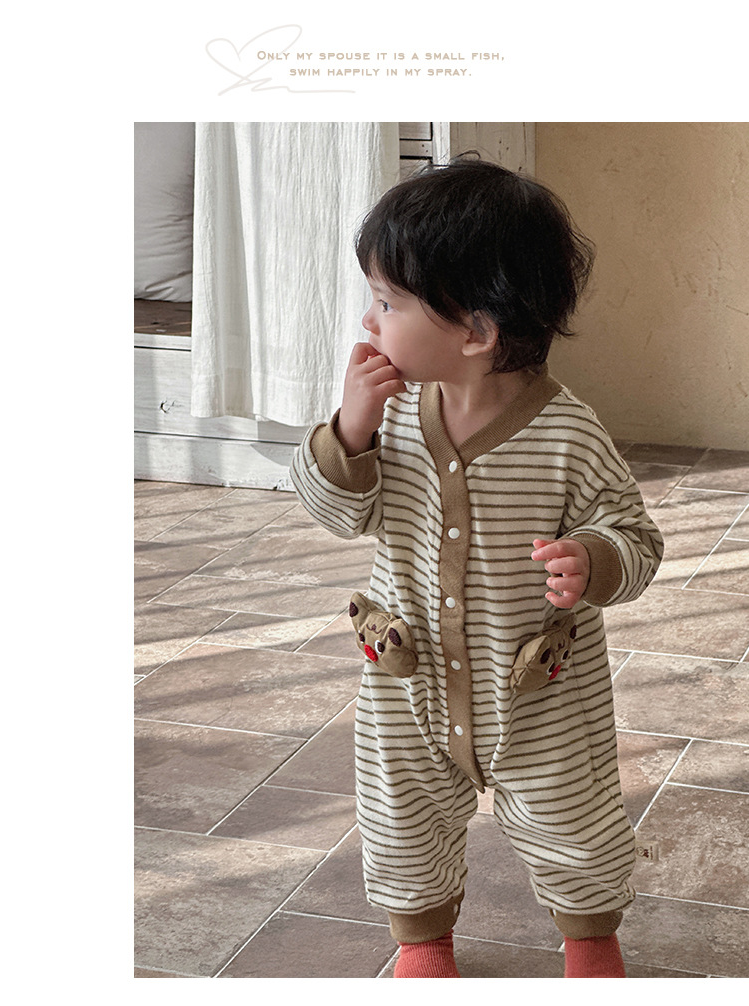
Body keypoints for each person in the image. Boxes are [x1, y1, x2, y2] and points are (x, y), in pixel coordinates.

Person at [290, 155, 663, 979]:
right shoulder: (386, 418)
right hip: (406, 682)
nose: (368, 320)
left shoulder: (568, 436)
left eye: (388, 302)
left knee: (575, 818)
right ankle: (422, 942)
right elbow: (336, 511)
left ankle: (589, 935)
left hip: (539, 695)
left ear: (476, 331)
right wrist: (348, 431)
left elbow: (636, 537)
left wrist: (594, 559)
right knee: (401, 816)